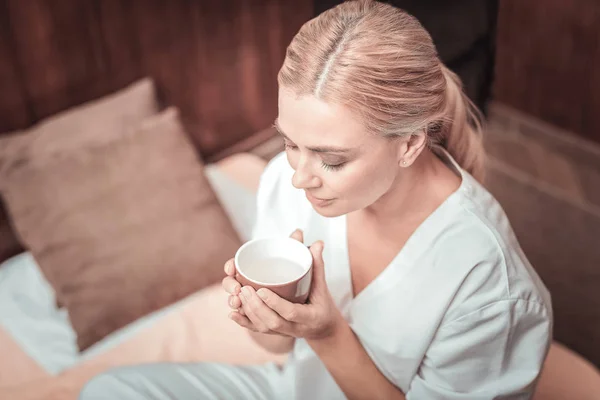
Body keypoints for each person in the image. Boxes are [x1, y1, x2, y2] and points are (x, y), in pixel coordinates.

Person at [80, 1, 552, 399]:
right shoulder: (286, 185)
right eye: (289, 143)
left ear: (408, 144)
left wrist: (326, 334)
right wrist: (265, 319)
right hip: (291, 389)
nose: (298, 177)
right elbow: (277, 352)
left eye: (331, 159)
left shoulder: (490, 287)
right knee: (109, 390)